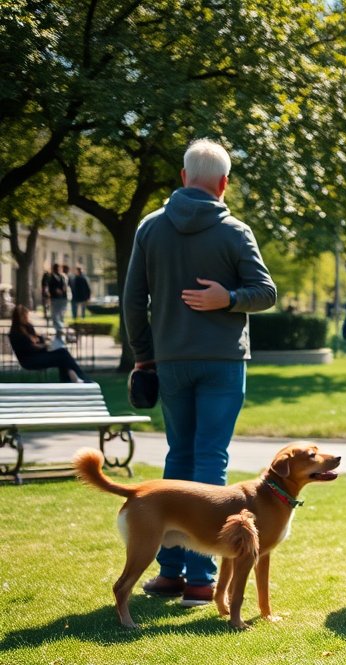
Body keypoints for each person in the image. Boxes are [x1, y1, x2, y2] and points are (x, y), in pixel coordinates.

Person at [122, 138, 278, 608]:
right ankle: (201, 580)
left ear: (183, 177)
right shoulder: (235, 231)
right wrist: (228, 299)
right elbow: (265, 292)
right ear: (224, 184)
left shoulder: (150, 228)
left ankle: (169, 574)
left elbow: (133, 301)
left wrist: (145, 355)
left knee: (178, 459)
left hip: (170, 360)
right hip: (224, 360)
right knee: (211, 461)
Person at [6, 304, 90, 383]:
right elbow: (28, 348)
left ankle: (70, 380)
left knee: (62, 352)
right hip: (29, 360)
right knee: (63, 357)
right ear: (17, 318)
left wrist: (41, 340)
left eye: (26, 315)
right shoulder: (15, 333)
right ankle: (79, 377)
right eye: (23, 316)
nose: (26, 318)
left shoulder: (28, 327)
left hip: (40, 354)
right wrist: (40, 344)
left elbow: (38, 340)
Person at [44, 262, 69, 344]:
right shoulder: (51, 277)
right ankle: (59, 332)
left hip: (61, 299)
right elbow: (49, 286)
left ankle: (60, 332)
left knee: (58, 316)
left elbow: (65, 286)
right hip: (55, 298)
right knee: (55, 316)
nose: (59, 269)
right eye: (58, 268)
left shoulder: (62, 276)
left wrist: (62, 290)